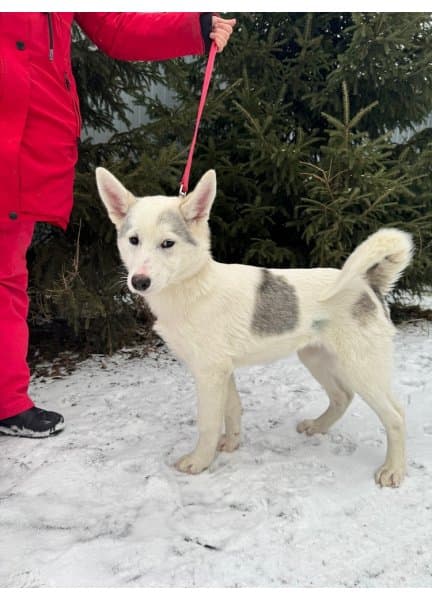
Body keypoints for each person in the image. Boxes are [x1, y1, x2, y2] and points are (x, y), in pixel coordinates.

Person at [0, 12, 236, 438]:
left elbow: (114, 26)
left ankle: (6, 402)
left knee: (4, 279)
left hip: (25, 146)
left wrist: (195, 26)